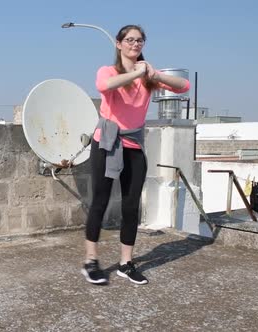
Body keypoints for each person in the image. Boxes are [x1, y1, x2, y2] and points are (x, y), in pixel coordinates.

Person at [81, 24, 190, 285]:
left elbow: (184, 86)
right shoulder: (108, 71)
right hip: (106, 143)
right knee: (101, 200)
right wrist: (136, 73)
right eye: (129, 40)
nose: (135, 44)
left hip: (133, 145)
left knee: (132, 206)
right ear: (118, 44)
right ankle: (90, 260)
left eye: (139, 40)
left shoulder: (147, 75)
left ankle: (126, 263)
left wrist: (155, 74)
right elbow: (105, 85)